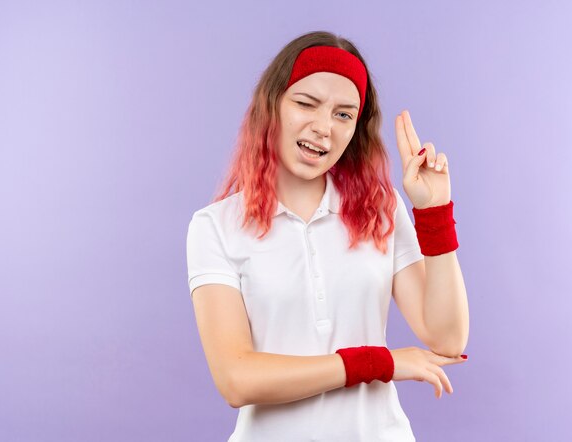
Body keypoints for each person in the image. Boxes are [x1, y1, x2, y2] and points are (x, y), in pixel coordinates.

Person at [186, 30, 469, 442]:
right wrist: (377, 363)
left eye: (343, 114)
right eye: (306, 103)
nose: (324, 128)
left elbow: (446, 338)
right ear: (272, 107)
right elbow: (236, 378)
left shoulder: (381, 208)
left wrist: (433, 212)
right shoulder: (215, 227)